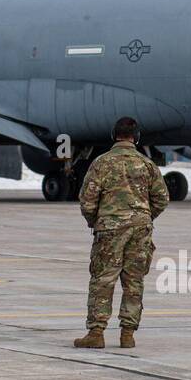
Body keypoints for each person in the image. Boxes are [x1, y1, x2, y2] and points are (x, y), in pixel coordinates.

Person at [73, 117, 169, 349]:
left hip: (110, 228)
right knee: (134, 281)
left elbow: (87, 200)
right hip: (140, 229)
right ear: (136, 138)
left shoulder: (101, 163)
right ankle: (128, 334)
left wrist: (97, 221)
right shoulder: (147, 164)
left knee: (103, 279)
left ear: (113, 136)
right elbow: (162, 198)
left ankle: (96, 332)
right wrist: (144, 217)